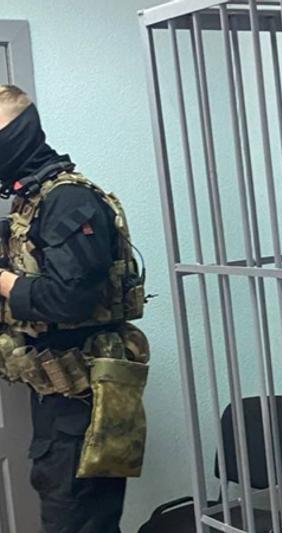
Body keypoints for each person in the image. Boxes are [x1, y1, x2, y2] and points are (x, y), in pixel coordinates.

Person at [0, 84, 148, 533]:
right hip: (58, 396)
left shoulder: (69, 200)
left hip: (85, 400)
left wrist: (4, 282)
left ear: (16, 135)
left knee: (77, 520)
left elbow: (69, 297)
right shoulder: (33, 200)